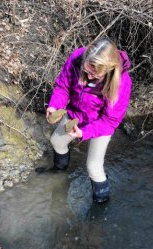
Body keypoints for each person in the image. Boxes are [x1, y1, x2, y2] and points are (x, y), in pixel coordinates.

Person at [44, 37, 132, 203]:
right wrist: (54, 106)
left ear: (108, 70)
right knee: (56, 141)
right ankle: (60, 173)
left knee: (93, 166)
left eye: (95, 75)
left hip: (100, 123)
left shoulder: (122, 83)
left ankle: (101, 203)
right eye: (87, 71)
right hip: (76, 114)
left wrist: (84, 133)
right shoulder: (77, 58)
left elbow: (109, 121)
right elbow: (63, 87)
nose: (89, 77)